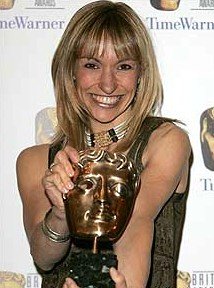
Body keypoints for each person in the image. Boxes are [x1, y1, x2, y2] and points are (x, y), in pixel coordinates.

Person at [16, 1, 191, 288]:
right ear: (70, 69)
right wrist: (60, 212)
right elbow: (44, 257)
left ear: (141, 73)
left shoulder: (165, 141)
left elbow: (135, 222)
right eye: (92, 65)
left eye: (123, 66)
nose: (108, 84)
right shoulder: (36, 161)